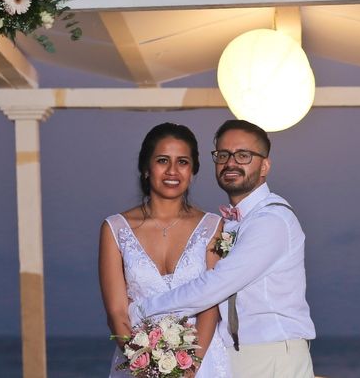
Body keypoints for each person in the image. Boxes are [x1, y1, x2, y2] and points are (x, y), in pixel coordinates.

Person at [130, 119, 315, 377]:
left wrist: (141, 309)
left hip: (271, 355)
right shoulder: (228, 223)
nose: (230, 163)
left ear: (264, 166)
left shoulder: (272, 221)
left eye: (243, 155)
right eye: (223, 155)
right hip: (233, 357)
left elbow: (215, 285)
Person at [98, 123, 231, 377]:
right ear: (146, 168)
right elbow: (116, 311)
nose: (172, 171)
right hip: (138, 362)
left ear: (192, 171)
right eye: (162, 160)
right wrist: (145, 365)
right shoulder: (115, 229)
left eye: (182, 162)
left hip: (203, 362)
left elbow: (211, 304)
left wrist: (191, 366)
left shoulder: (213, 226)